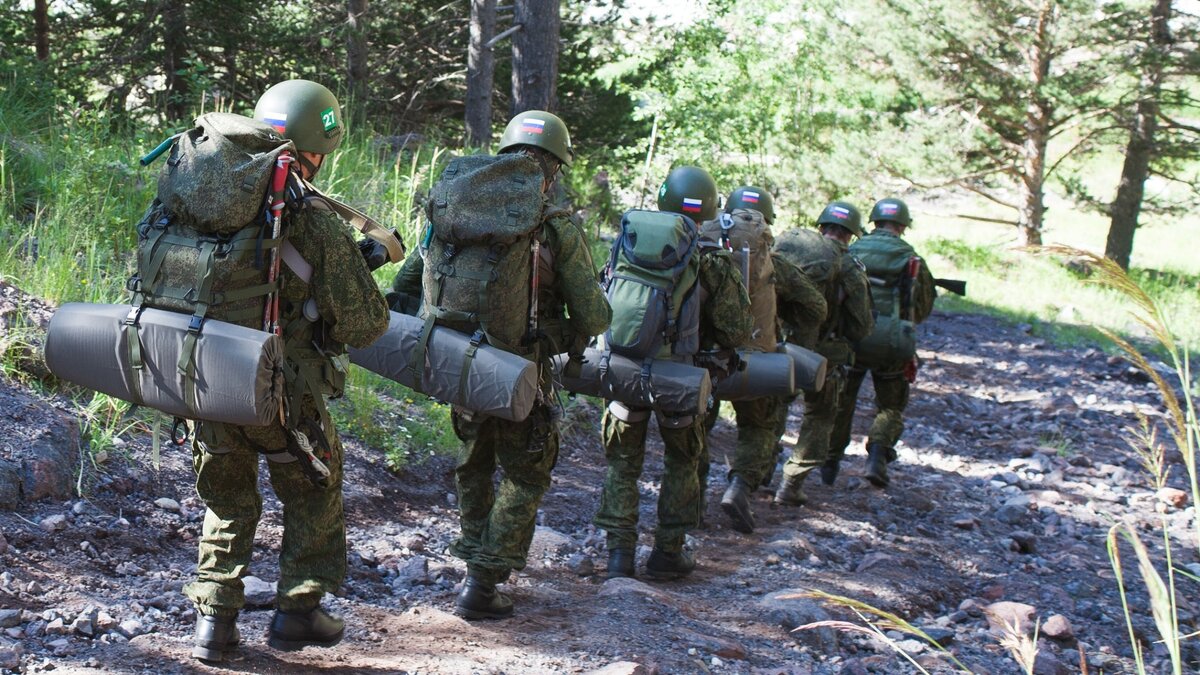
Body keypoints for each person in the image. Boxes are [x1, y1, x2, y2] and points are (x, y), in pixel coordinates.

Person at [184, 80, 390, 661]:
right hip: (281, 389)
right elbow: (365, 325)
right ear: (312, 150)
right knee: (315, 483)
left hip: (201, 375)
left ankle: (215, 624)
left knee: (226, 498)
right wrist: (356, 268)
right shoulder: (313, 217)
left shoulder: (201, 198)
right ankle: (298, 611)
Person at [391, 111, 611, 619]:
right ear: (551, 168)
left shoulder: (451, 207)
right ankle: (485, 579)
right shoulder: (553, 225)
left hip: (454, 361)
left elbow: (407, 285)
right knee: (527, 471)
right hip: (520, 372)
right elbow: (595, 316)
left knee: (474, 463)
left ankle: (475, 572)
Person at [595, 166, 752, 579]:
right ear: (711, 211)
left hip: (625, 371)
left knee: (622, 465)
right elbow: (736, 329)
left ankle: (618, 556)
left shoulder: (629, 244)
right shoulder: (713, 260)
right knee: (682, 461)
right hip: (681, 379)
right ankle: (668, 552)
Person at [699, 187, 826, 534]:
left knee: (694, 426)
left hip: (703, 361)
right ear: (765, 225)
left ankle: (689, 502)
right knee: (758, 427)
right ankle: (739, 487)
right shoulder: (774, 264)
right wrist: (784, 325)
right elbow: (816, 306)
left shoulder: (699, 250)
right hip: (755, 363)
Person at [773, 201, 874, 506]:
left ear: (821, 227)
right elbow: (861, 326)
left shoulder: (789, 249)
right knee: (819, 417)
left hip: (778, 347)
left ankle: (757, 470)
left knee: (772, 409)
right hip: (824, 358)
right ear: (851, 235)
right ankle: (791, 483)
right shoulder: (849, 266)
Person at [831, 197, 935, 488]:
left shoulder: (853, 250)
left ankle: (830, 460)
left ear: (874, 221)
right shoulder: (911, 258)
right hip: (891, 343)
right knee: (891, 405)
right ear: (903, 225)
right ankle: (877, 453)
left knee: (842, 399)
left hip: (851, 338)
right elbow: (922, 306)